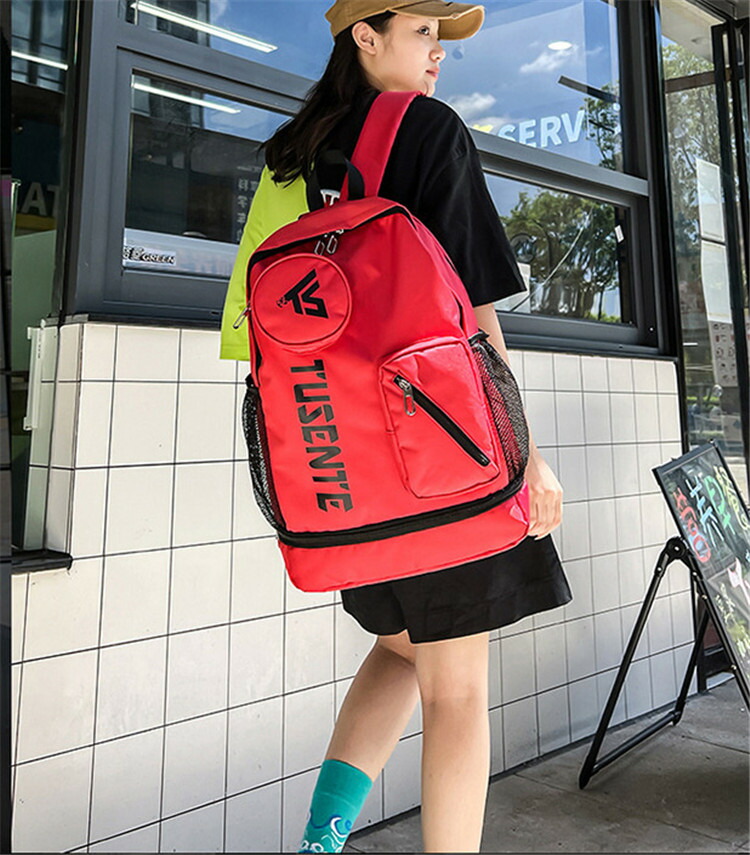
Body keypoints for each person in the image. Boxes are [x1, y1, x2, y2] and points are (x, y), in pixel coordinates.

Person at [220, 2, 573, 852]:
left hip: (341, 470)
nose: (438, 52)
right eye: (422, 32)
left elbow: (249, 332)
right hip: (446, 458)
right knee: (457, 690)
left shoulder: (290, 156)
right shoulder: (428, 130)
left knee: (402, 651)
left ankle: (320, 841)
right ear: (365, 36)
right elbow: (475, 316)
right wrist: (528, 458)